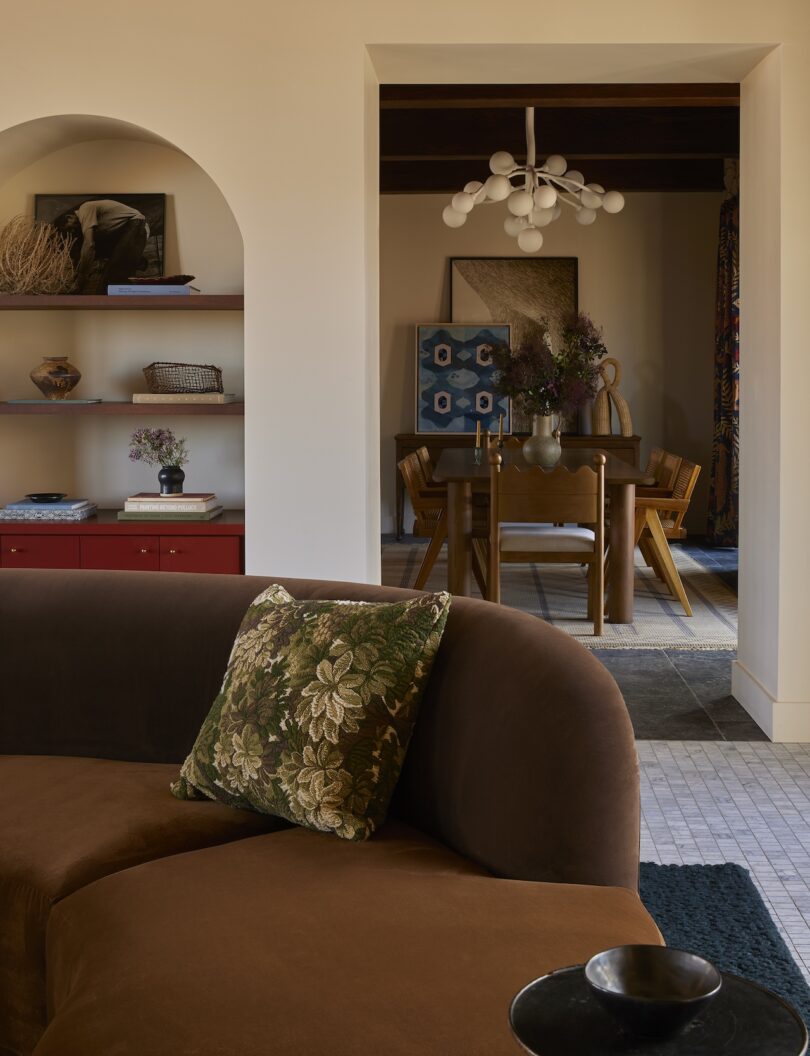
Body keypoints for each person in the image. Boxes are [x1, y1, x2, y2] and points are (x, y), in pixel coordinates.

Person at [52, 199, 150, 293]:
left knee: (113, 279)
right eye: (69, 232)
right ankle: (133, 259)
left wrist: (82, 276)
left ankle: (130, 261)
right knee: (108, 276)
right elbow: (86, 255)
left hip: (137, 224)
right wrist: (78, 275)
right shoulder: (92, 227)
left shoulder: (85, 209)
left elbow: (89, 245)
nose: (72, 231)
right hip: (123, 234)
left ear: (69, 217)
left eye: (69, 228)